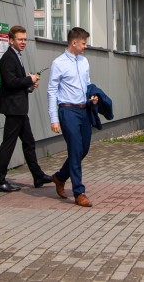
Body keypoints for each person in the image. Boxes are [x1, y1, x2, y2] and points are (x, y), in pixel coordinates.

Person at [0, 25, 53, 192]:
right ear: (11, 40)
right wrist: (29, 79)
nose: (23, 42)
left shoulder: (16, 56)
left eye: (25, 39)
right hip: (13, 109)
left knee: (28, 142)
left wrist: (30, 86)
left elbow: (17, 84)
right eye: (20, 39)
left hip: (19, 108)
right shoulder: (7, 58)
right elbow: (11, 82)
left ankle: (38, 176)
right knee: (8, 144)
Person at [46, 27, 98, 207]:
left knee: (83, 149)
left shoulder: (84, 61)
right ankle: (79, 192)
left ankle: (60, 177)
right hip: (67, 111)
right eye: (83, 43)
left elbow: (87, 83)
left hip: (84, 110)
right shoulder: (58, 63)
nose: (85, 46)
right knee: (75, 149)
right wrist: (54, 119)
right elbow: (52, 91)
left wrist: (92, 96)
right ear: (74, 43)